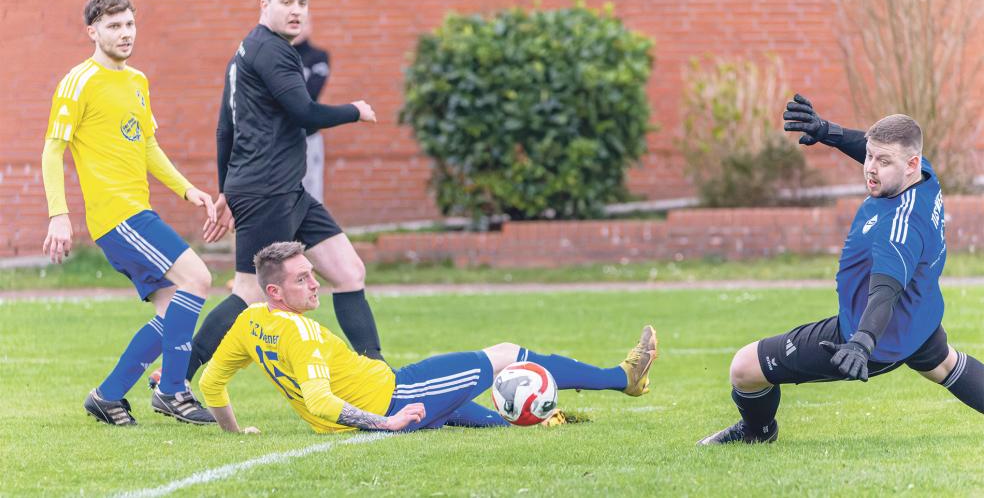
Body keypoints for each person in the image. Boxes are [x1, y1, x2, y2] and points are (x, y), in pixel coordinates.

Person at [698, 95, 984, 445]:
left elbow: (885, 290)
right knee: (945, 365)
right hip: (918, 316)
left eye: (883, 161)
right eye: (869, 156)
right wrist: (828, 132)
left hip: (870, 335)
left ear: (910, 164)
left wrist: (860, 344)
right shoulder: (924, 175)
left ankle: (758, 432)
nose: (870, 167)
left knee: (744, 369)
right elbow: (873, 148)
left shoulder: (900, 227)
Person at [199, 241, 659, 433]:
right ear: (276, 291)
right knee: (505, 354)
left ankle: (549, 419)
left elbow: (211, 385)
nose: (316, 283)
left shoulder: (250, 320)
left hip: (383, 397)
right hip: (395, 397)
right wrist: (389, 423)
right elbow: (319, 400)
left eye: (312, 273)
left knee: (477, 418)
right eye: (303, 280)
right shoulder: (302, 334)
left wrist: (236, 432)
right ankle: (622, 378)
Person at [179, 0, 384, 391]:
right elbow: (303, 112)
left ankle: (377, 372)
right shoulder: (270, 51)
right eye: (286, 2)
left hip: (287, 190)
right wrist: (354, 110)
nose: (295, 11)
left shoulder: (248, 51)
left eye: (302, 4)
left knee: (349, 270)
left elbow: (225, 130)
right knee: (251, 293)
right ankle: (175, 382)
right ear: (264, 5)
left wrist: (224, 191)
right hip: (265, 191)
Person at [41, 0, 218, 425]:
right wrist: (58, 215)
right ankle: (173, 391)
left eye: (130, 23)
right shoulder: (77, 81)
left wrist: (186, 188)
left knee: (172, 307)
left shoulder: (138, 81)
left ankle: (108, 395)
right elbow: (51, 149)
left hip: (138, 211)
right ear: (93, 31)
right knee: (197, 277)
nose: (126, 33)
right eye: (115, 25)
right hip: (117, 216)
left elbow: (147, 147)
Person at [294, 18, 331, 204]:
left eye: (304, 22)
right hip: (281, 138)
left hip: (309, 137)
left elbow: (310, 95)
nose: (299, 28)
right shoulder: (277, 58)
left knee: (312, 191)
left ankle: (314, 233)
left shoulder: (318, 57)